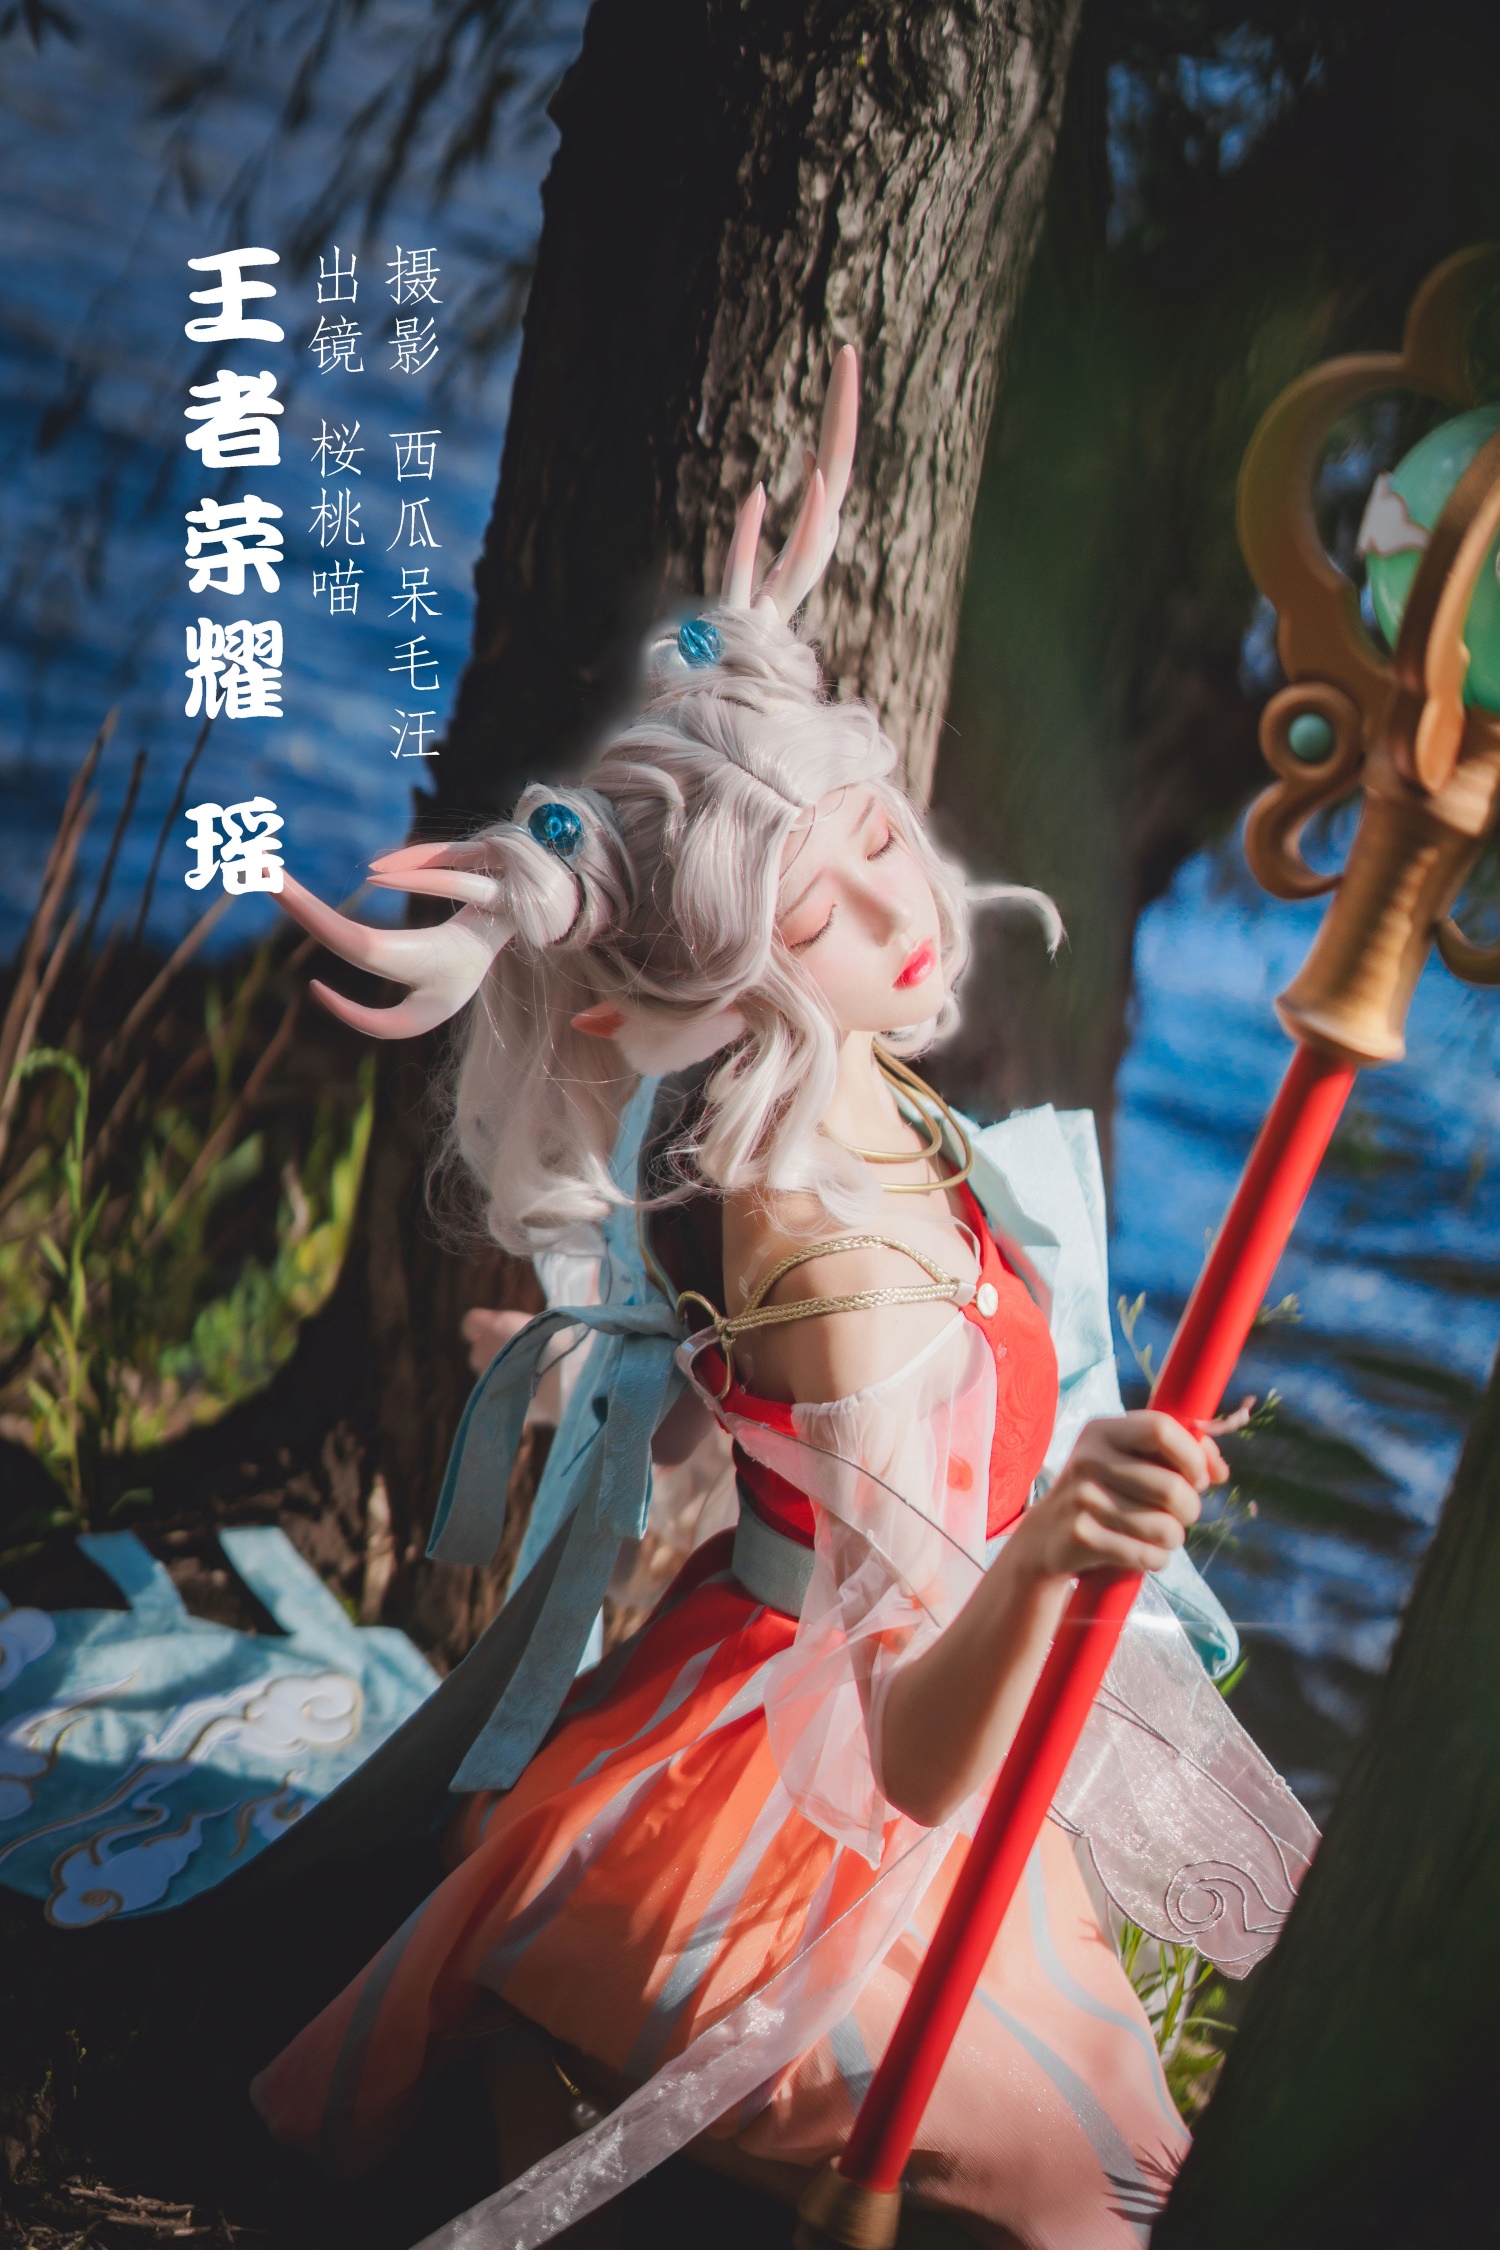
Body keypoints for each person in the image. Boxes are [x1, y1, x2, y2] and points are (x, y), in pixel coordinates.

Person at [250, 354, 1316, 2249]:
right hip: (788, 1817)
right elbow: (908, 1753)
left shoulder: (866, 1098)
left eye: (881, 835)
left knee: (1157, 2165)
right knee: (1109, 2195)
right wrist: (1054, 1537)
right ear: (722, 992)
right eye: (819, 912)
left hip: (813, 1699)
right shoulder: (825, 1258)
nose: (906, 914)